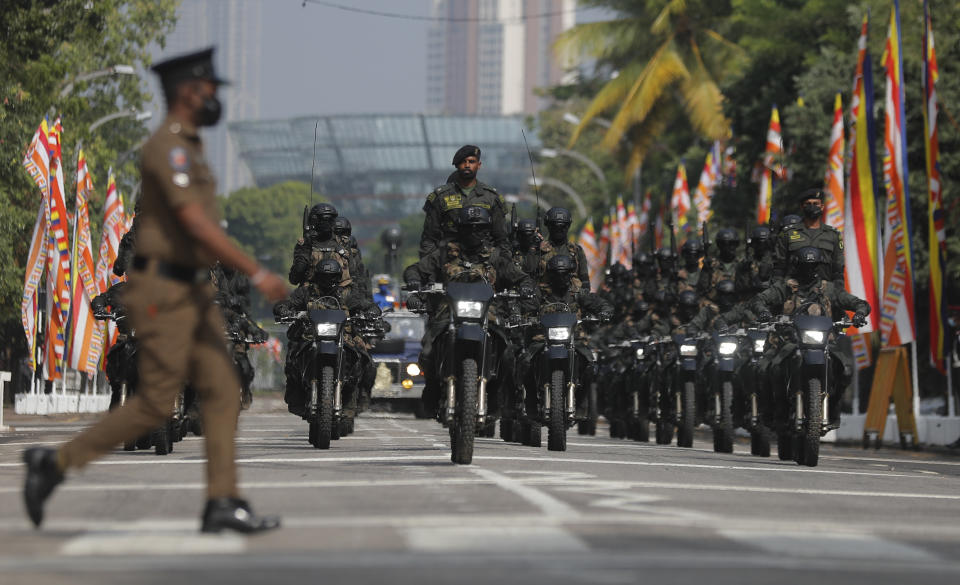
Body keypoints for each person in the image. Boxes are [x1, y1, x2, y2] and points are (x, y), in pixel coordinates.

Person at [22, 48, 288, 533]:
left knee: (224, 389)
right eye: (208, 89)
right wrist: (256, 272)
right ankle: (54, 463)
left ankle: (221, 503)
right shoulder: (171, 149)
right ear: (189, 91)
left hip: (192, 295)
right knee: (153, 403)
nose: (214, 98)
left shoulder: (187, 144)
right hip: (164, 294)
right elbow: (193, 223)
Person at [405, 206, 536, 415]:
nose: (475, 233)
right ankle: (431, 386)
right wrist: (413, 282)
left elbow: (521, 277)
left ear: (487, 231)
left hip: (488, 311)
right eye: (469, 228)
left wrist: (525, 286)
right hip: (449, 310)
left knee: (508, 352)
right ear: (461, 229)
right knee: (428, 346)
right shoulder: (445, 253)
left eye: (480, 229)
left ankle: (494, 393)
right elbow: (416, 269)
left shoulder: (496, 257)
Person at [750, 246, 869, 428]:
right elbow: (759, 300)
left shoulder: (829, 289)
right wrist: (764, 312)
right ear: (797, 266)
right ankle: (776, 411)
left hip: (824, 343)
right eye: (805, 266)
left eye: (813, 266)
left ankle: (834, 408)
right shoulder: (785, 287)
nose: (809, 270)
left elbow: (858, 303)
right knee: (769, 368)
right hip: (790, 342)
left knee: (846, 369)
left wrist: (860, 313)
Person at [274, 258, 379, 419]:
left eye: (331, 277)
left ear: (338, 277)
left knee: (362, 357)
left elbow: (365, 304)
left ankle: (353, 398)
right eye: (324, 277)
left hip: (343, 336)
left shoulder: (347, 293)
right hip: (310, 335)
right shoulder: (306, 292)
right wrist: (283, 309)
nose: (327, 281)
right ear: (317, 276)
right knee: (292, 358)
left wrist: (372, 310)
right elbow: (289, 303)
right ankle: (296, 397)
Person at [419, 145, 509, 258]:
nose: (467, 165)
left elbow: (501, 240)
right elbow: (429, 239)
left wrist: (502, 266)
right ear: (457, 165)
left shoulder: (491, 197)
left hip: (485, 265)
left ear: (479, 165)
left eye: (471, 161)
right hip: (449, 263)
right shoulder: (440, 197)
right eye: (463, 162)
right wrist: (430, 269)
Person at [773, 189, 844, 286]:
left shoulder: (833, 235)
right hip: (793, 292)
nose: (812, 207)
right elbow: (779, 268)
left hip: (824, 292)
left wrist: (838, 294)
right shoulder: (788, 233)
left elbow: (838, 271)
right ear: (802, 207)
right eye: (808, 204)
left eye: (816, 204)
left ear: (822, 207)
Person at [289, 203, 360, 297]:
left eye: (330, 219)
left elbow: (353, 275)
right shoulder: (305, 244)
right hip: (310, 296)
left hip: (340, 295)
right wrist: (303, 255)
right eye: (322, 219)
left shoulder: (343, 243)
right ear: (314, 221)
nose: (326, 223)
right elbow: (294, 279)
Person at [537, 207, 590, 293]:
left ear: (568, 226)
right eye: (555, 226)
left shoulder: (576, 250)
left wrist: (583, 296)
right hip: (545, 298)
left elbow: (585, 281)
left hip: (571, 299)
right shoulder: (539, 250)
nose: (559, 229)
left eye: (563, 226)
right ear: (549, 226)